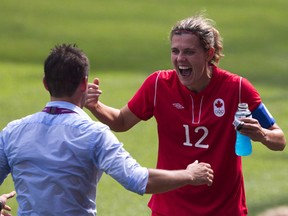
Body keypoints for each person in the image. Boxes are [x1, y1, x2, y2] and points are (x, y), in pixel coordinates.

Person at [85, 13, 286, 216]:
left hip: (224, 210)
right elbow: (121, 121)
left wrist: (262, 134)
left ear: (209, 53)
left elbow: (279, 140)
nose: (180, 58)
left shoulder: (238, 89)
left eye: (189, 52)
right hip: (170, 209)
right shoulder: (158, 85)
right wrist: (95, 106)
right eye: (175, 51)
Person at [0, 44, 214, 215]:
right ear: (84, 84)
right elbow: (139, 180)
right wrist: (189, 175)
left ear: (46, 84)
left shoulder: (12, 132)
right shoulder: (94, 134)